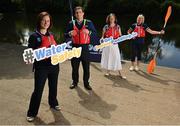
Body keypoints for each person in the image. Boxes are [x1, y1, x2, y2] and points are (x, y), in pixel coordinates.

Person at [26, 12, 60, 122]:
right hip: (41, 67)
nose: (46, 23)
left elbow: (56, 49)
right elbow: (29, 52)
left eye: (48, 21)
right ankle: (32, 112)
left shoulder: (51, 34)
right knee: (38, 90)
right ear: (39, 21)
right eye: (44, 20)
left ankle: (53, 103)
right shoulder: (34, 36)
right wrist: (30, 59)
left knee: (53, 86)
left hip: (54, 65)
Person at [65, 6, 97, 90]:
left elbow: (95, 34)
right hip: (75, 48)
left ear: (83, 13)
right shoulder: (71, 23)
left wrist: (89, 32)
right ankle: (74, 82)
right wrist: (69, 34)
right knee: (74, 68)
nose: (78, 14)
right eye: (76, 12)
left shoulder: (89, 23)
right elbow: (65, 35)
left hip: (85, 48)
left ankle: (86, 83)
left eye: (80, 12)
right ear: (75, 14)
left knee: (86, 68)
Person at [101, 13, 126, 79]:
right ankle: (108, 72)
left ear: (115, 19)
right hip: (107, 45)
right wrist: (102, 40)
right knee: (109, 58)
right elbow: (102, 37)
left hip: (115, 44)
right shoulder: (105, 27)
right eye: (110, 18)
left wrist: (125, 37)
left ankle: (120, 73)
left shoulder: (118, 26)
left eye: (112, 18)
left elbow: (120, 35)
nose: (111, 19)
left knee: (117, 58)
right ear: (108, 19)